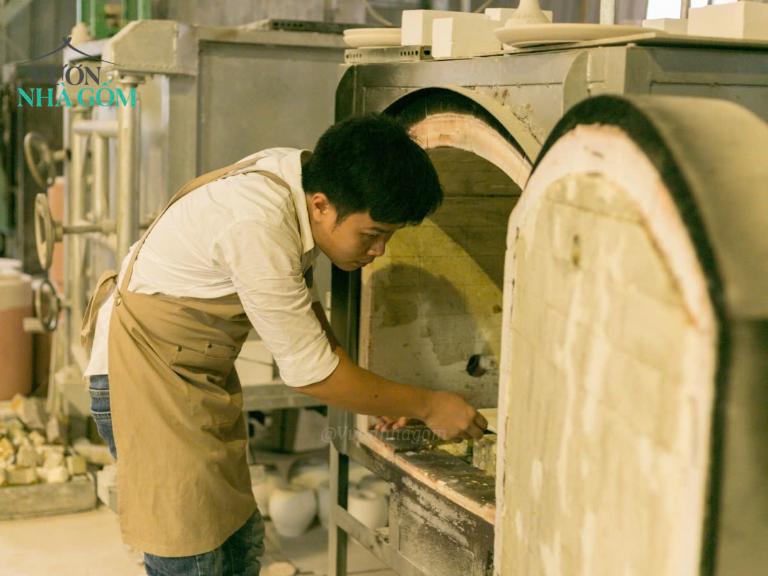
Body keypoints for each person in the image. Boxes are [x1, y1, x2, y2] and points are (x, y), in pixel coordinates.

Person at [80, 114, 487, 575]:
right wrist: (429, 405)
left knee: (236, 542)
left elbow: (307, 320)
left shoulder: (296, 181)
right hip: (141, 380)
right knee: (193, 557)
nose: (379, 251)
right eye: (372, 235)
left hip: (186, 377)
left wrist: (375, 396)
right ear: (321, 205)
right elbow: (311, 373)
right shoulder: (257, 222)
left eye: (388, 237)